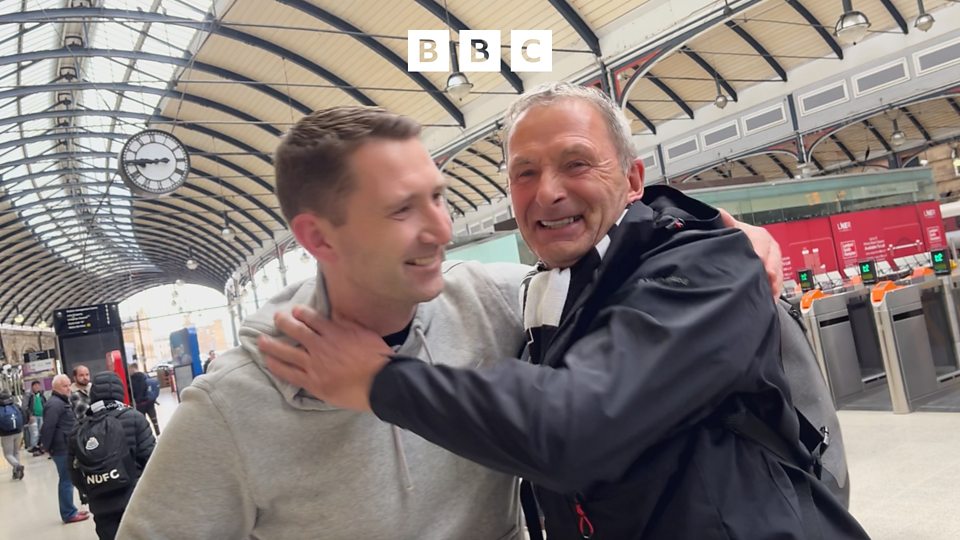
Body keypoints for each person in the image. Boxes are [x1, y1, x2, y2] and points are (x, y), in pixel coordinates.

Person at [118, 106, 781, 539]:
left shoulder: (495, 305)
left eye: (438, 197)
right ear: (318, 238)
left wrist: (724, 243)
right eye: (402, 209)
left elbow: (615, 287)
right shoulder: (234, 407)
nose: (441, 229)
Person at [260, 84, 869, 539]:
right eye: (524, 173)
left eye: (576, 163)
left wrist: (378, 379)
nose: (547, 191)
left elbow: (574, 426)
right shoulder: (537, 289)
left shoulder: (706, 267)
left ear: (633, 179)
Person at [70, 371, 155, 540]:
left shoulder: (79, 429)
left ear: (93, 395)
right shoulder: (135, 418)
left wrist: (92, 490)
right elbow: (151, 460)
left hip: (101, 505)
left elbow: (73, 472)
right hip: (134, 500)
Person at [41, 374, 89, 524]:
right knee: (66, 480)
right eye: (65, 386)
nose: (69, 388)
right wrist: (47, 447)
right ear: (56, 387)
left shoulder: (62, 401)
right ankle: (68, 513)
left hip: (66, 446)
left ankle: (71, 509)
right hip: (61, 448)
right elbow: (48, 427)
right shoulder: (55, 404)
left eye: (69, 385)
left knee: (68, 479)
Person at [128, 364, 160, 436]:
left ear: (132, 369)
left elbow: (133, 392)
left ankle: (147, 435)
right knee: (154, 418)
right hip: (149, 402)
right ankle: (158, 433)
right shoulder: (145, 376)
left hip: (140, 404)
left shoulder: (131, 380)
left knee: (143, 422)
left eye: (129, 369)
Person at [0, 389, 25, 480]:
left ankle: (17, 466)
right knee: (16, 452)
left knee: (8, 454)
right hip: (18, 432)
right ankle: (16, 473)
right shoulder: (15, 405)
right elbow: (23, 414)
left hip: (6, 434)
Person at [23, 380, 46, 454]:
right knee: (34, 433)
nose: (37, 387)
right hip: (33, 417)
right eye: (35, 386)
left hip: (42, 416)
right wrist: (30, 415)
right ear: (32, 387)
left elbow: (45, 404)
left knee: (41, 432)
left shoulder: (41, 395)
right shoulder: (28, 395)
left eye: (38, 386)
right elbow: (24, 406)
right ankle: (34, 448)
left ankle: (40, 447)